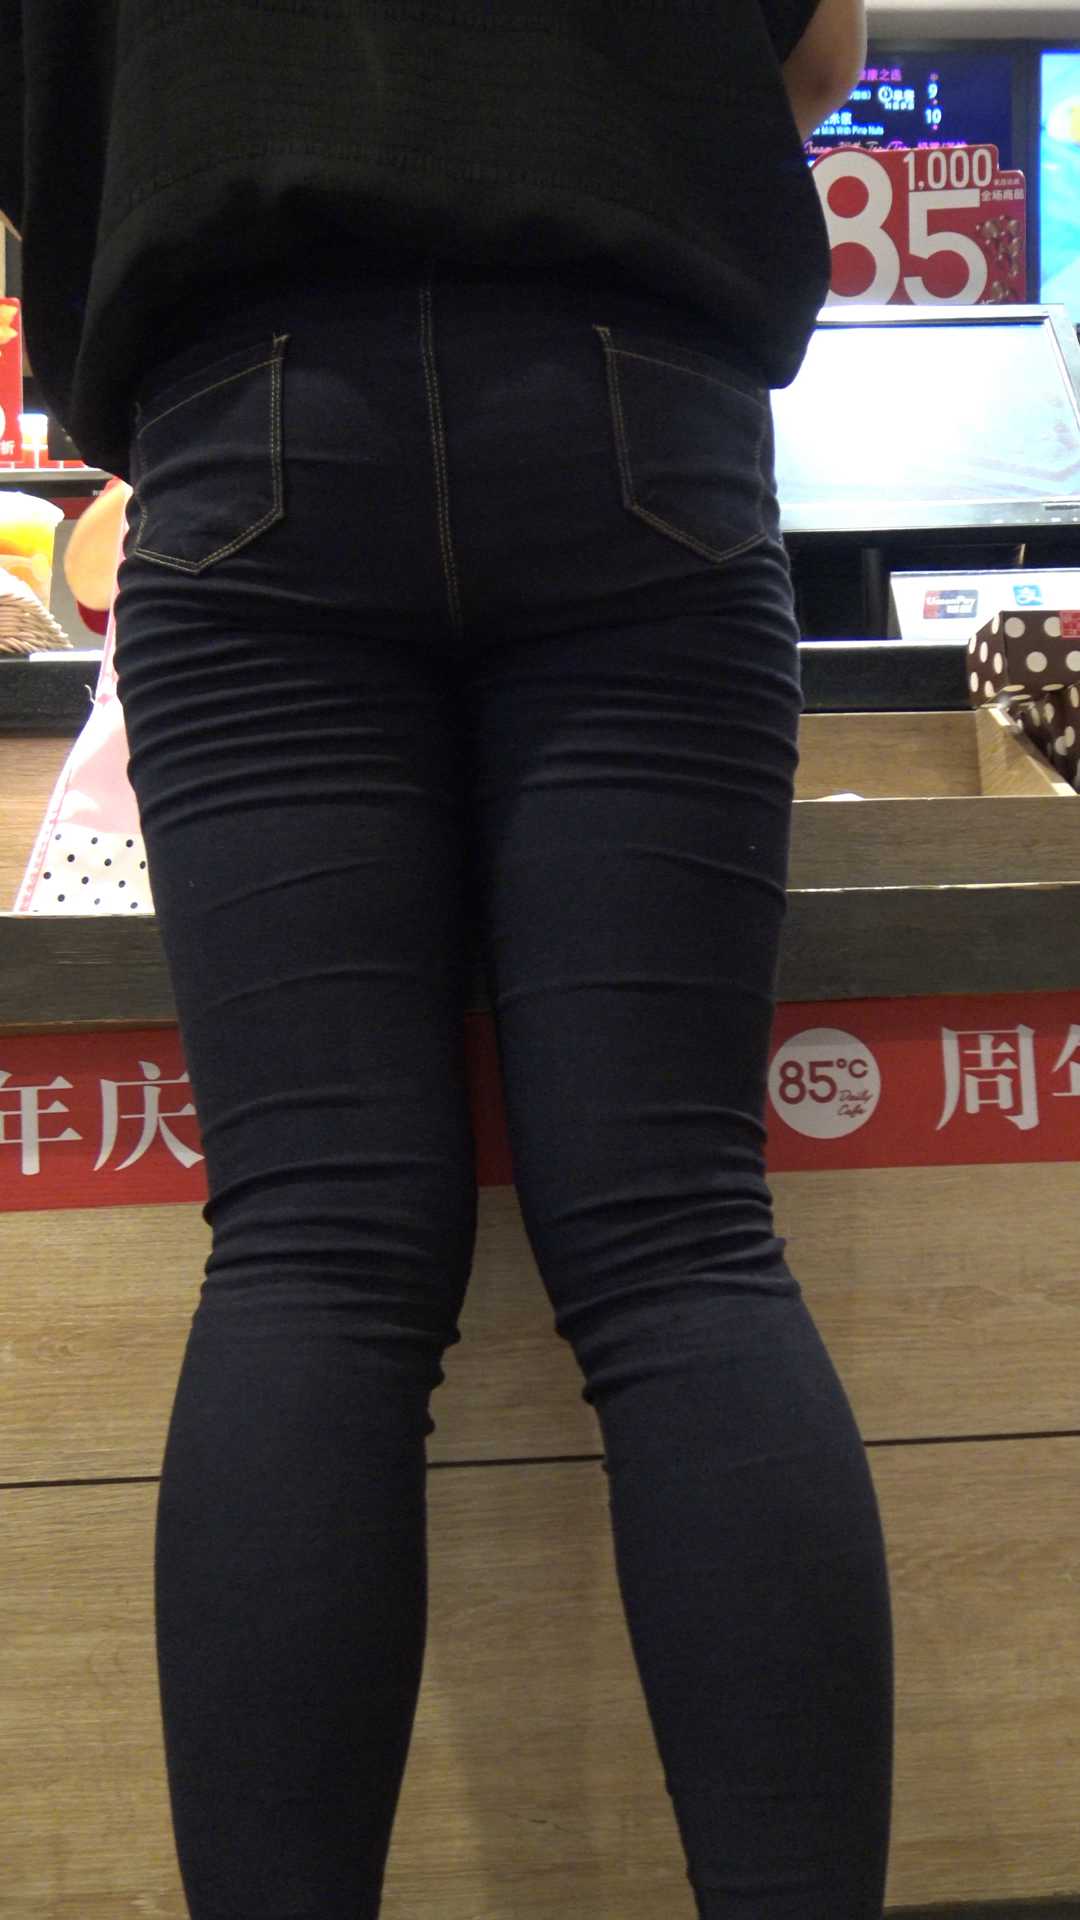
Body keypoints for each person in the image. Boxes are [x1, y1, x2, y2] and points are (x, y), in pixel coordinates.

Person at [2, 3, 895, 1916]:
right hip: (634, 395)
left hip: (245, 405)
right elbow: (816, 51)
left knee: (313, 1249)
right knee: (678, 1241)